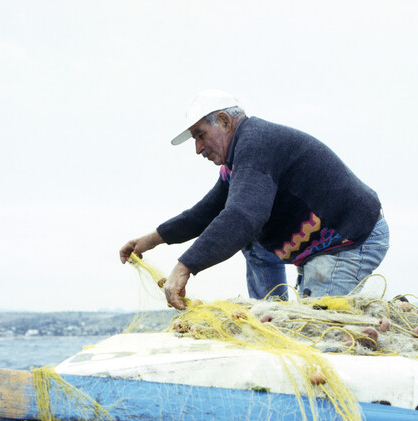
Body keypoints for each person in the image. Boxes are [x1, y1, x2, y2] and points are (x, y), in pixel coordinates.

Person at [120, 90, 389, 310]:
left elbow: (243, 216)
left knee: (317, 333)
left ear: (225, 121)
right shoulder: (237, 160)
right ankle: (270, 309)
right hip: (320, 245)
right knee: (243, 233)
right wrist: (152, 239)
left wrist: (184, 267)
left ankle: (286, 325)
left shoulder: (256, 144)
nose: (198, 149)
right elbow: (207, 213)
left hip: (350, 239)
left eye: (200, 135)